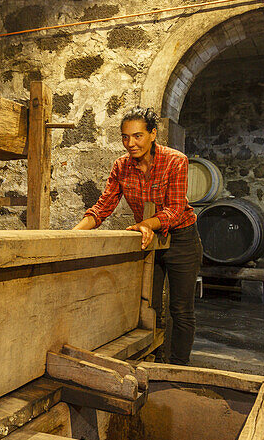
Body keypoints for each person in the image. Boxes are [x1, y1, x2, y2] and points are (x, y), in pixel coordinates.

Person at [73, 107, 202, 365]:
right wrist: (73, 235)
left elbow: (175, 210)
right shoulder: (121, 166)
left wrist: (146, 223)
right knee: (147, 307)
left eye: (138, 136)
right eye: (125, 137)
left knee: (181, 309)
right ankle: (149, 363)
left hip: (182, 239)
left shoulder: (176, 160)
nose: (130, 143)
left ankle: (177, 369)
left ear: (153, 134)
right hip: (149, 239)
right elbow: (103, 206)